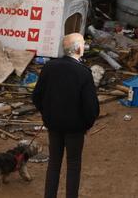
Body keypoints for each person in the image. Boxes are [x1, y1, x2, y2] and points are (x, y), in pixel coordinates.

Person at [31, 32, 99, 198]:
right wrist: (86, 125)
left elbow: (36, 96)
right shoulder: (84, 73)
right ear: (77, 49)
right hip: (75, 128)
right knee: (73, 164)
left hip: (53, 125)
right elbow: (91, 107)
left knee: (54, 163)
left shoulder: (49, 67)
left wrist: (47, 115)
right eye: (83, 44)